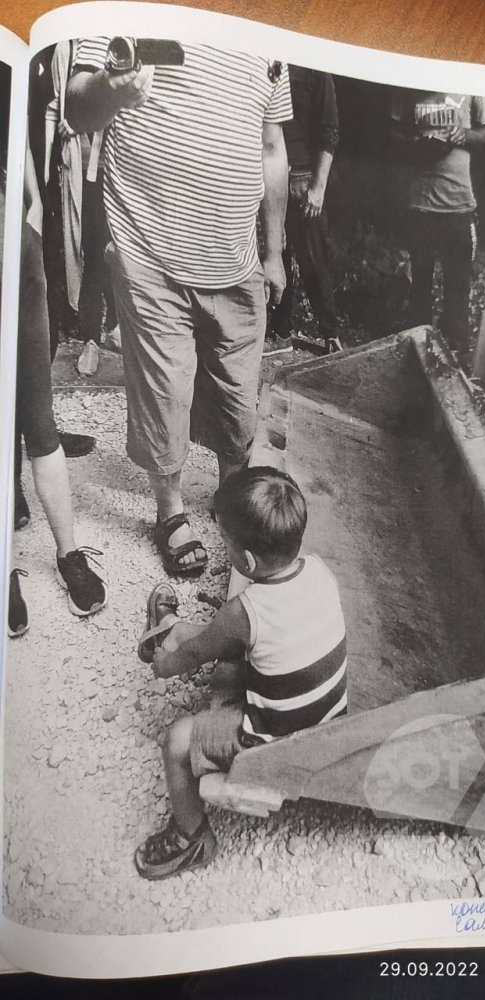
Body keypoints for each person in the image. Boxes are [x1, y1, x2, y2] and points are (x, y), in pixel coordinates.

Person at [66, 42, 291, 577]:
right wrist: (111, 88)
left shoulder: (269, 28)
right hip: (149, 250)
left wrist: (274, 250)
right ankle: (170, 511)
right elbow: (77, 106)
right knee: (164, 393)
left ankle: (230, 495)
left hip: (236, 260)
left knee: (238, 398)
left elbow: (272, 144)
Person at [134, 466, 347, 879]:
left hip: (277, 744)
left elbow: (193, 656)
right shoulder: (320, 571)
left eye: (225, 542)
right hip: (328, 725)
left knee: (176, 741)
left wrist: (164, 665)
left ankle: (191, 837)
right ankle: (173, 626)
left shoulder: (243, 613)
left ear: (246, 560)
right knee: (234, 647)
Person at [10, 142, 108, 633]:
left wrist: (31, 214)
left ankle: (69, 554)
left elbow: (19, 147)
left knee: (40, 422)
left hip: (17, 255)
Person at [390, 90, 485, 351]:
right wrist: (416, 142)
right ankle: (418, 352)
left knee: (458, 288)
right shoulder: (409, 80)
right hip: (421, 205)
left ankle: (455, 355)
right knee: (419, 284)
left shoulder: (472, 78)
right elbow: (392, 132)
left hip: (459, 205)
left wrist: (465, 135)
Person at [45, 40, 119, 378]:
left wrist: (80, 122)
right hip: (86, 172)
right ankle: (91, 338)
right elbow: (67, 105)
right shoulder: (72, 46)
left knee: (120, 252)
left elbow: (120, 104)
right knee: (92, 251)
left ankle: (116, 326)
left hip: (123, 173)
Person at [265, 65, 341, 357]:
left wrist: (318, 188)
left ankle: (331, 337)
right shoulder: (270, 62)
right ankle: (280, 333)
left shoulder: (316, 68)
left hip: (303, 180)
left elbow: (329, 131)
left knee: (315, 262)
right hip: (271, 178)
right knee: (277, 254)